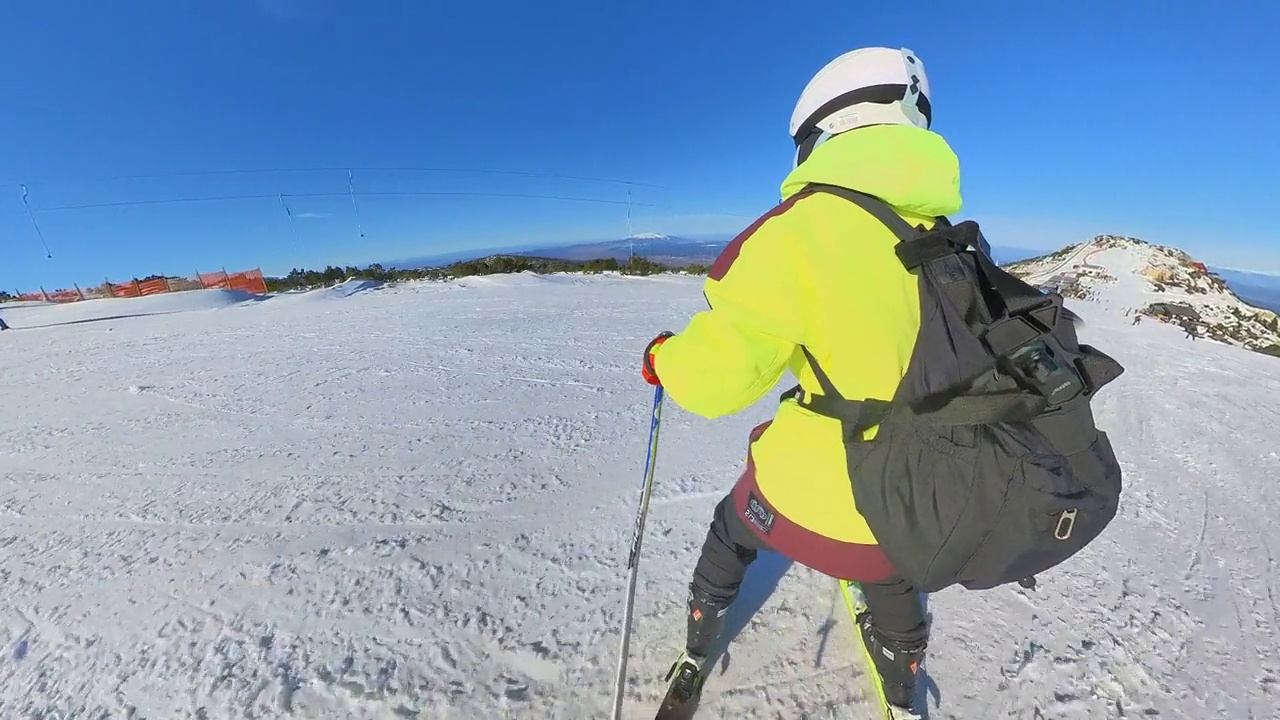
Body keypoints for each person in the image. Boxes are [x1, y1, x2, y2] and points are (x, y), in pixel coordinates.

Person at [639, 46, 956, 711]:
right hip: (918, 504)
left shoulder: (798, 233)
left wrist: (665, 358)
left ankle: (698, 643)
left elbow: (718, 379)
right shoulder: (950, 237)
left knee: (734, 527)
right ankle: (902, 677)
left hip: (811, 498)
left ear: (824, 129)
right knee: (889, 571)